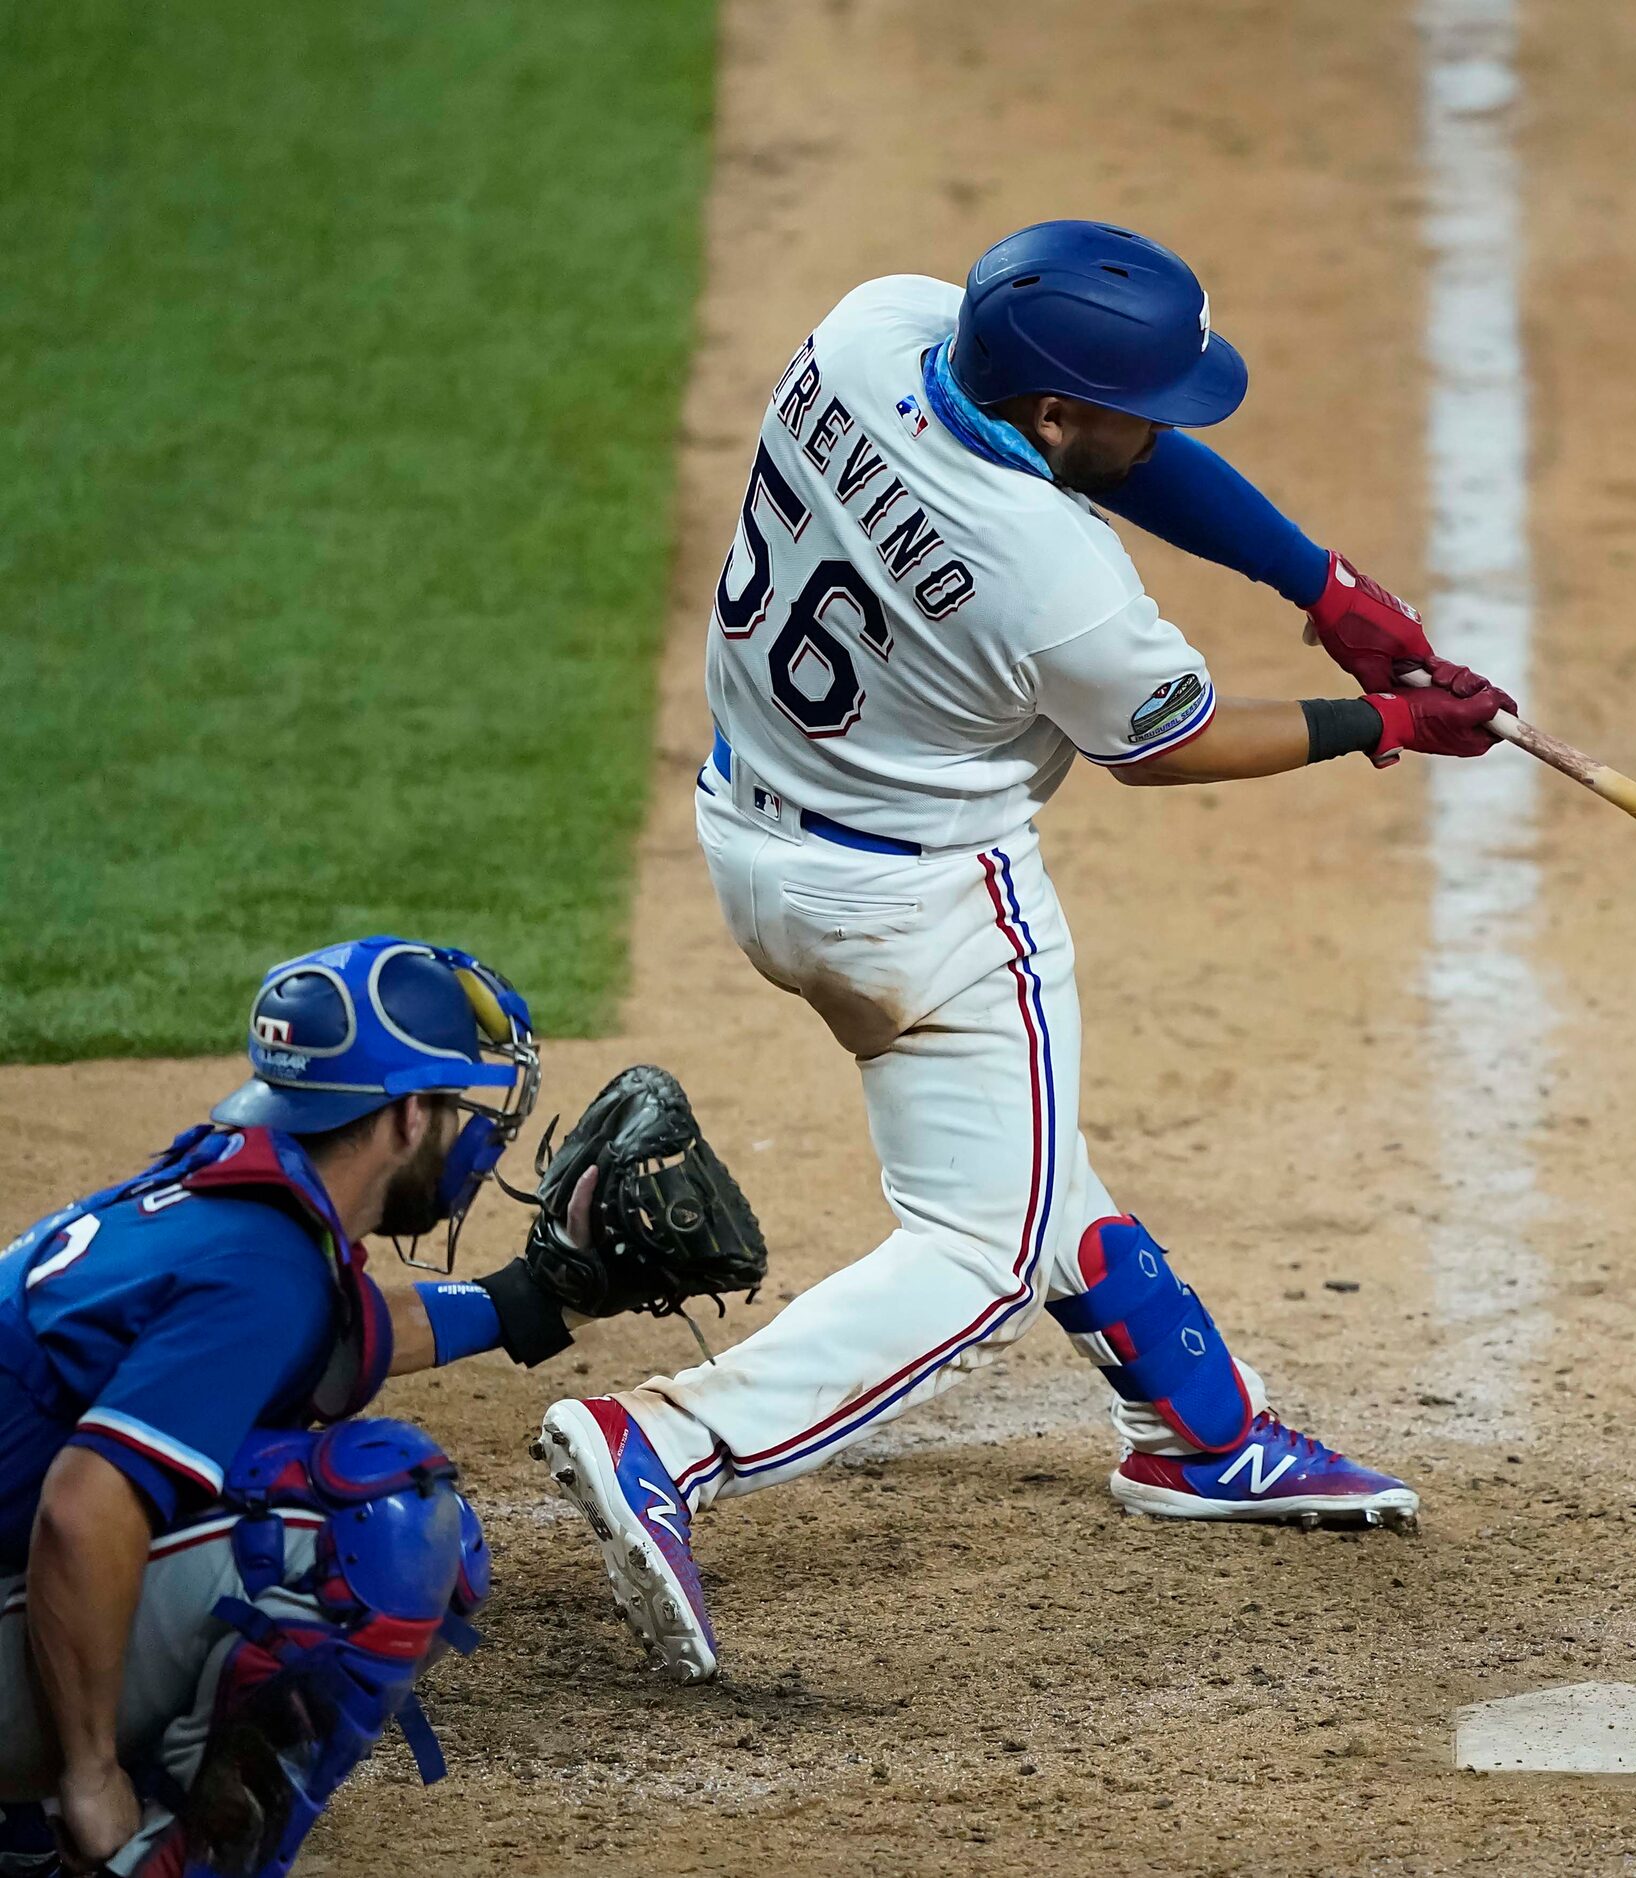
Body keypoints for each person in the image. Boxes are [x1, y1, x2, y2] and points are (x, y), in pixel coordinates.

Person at [535, 219, 1513, 1683]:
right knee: (980, 1249)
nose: (1162, 427)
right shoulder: (1050, 576)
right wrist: (1382, 723)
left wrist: (1320, 582)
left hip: (756, 835)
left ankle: (1199, 1426)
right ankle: (669, 1440)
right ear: (1054, 411)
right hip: (917, 909)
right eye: (1139, 406)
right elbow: (1167, 747)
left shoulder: (878, 331)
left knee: (1018, 1152)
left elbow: (1109, 447)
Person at [0, 937, 637, 1876]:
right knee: (375, 1522)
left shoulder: (221, 1200)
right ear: (409, 1116)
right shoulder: (264, 1270)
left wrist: (541, 1297)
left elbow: (340, 1337)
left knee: (298, 1475)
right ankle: (140, 1847)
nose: (470, 1137)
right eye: (460, 1110)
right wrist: (91, 1780)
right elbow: (81, 1509)